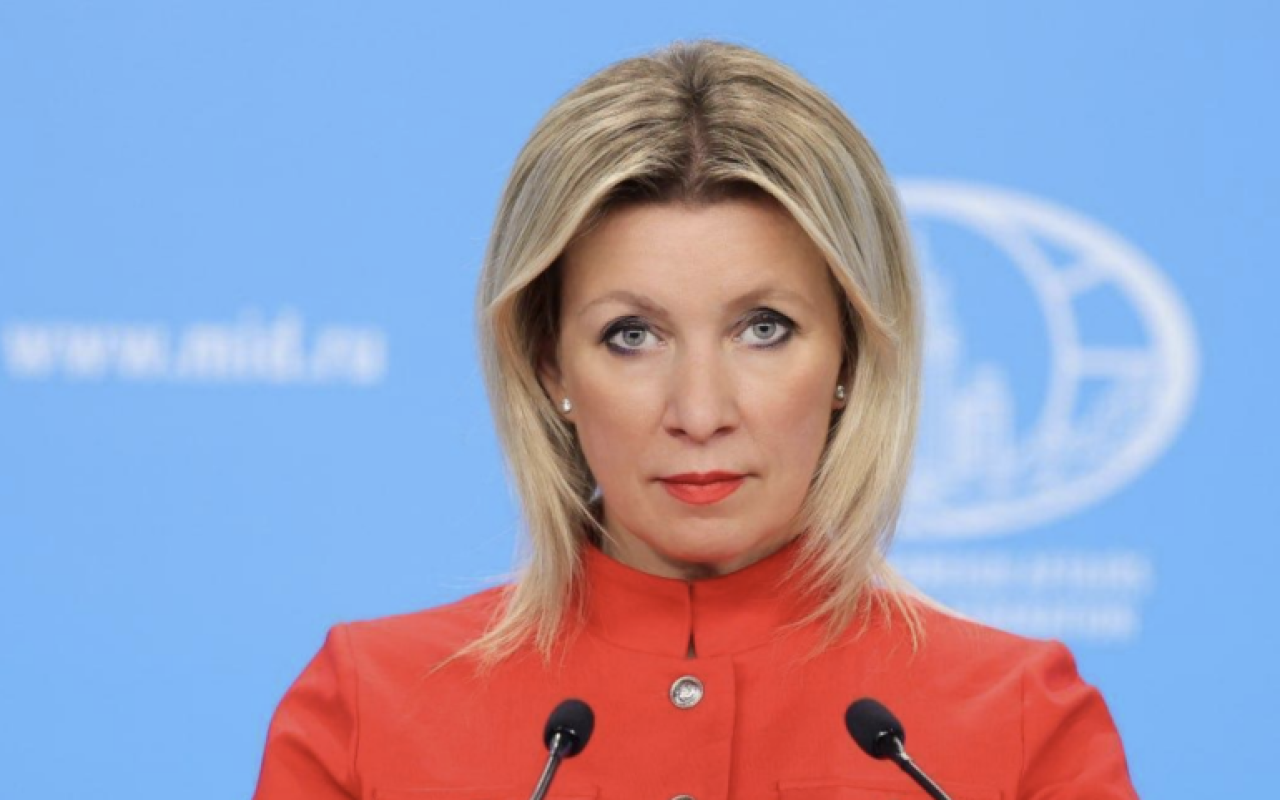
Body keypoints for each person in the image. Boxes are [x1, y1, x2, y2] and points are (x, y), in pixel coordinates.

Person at [251, 39, 1139, 799]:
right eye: (632, 335)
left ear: (851, 356)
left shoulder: (1023, 722)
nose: (701, 412)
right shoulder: (368, 713)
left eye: (764, 329)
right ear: (550, 365)